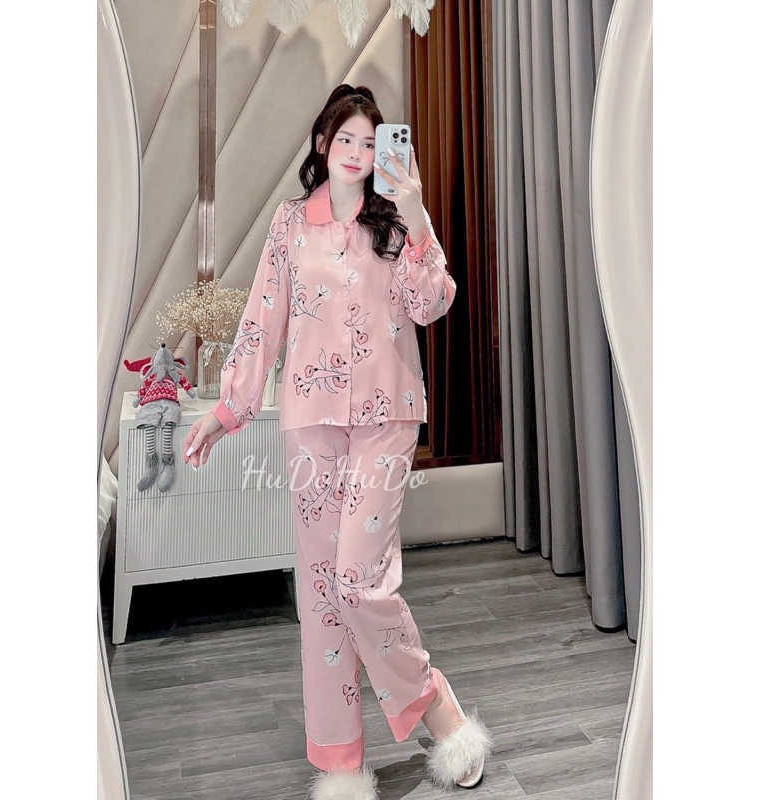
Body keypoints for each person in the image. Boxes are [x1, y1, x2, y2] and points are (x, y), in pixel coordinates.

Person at [182, 84, 493, 800]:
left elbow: (433, 302)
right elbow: (262, 319)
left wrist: (416, 212)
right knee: (322, 592)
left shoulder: (396, 223)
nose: (356, 151)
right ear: (323, 145)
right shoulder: (291, 224)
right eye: (345, 139)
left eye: (370, 141)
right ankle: (340, 763)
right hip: (311, 422)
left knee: (358, 578)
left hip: (387, 418)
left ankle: (436, 707)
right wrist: (226, 410)